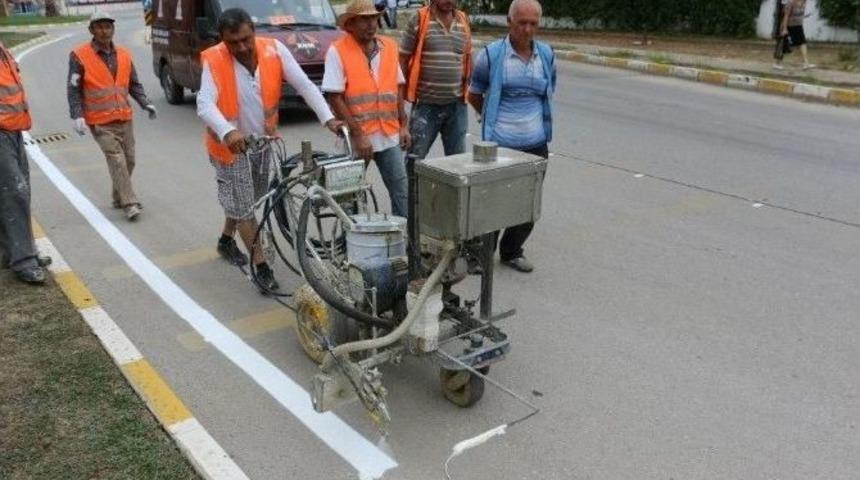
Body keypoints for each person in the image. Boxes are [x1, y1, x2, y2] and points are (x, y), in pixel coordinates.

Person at [197, 8, 342, 292]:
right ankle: (261, 265)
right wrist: (228, 131)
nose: (241, 47)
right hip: (230, 149)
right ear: (223, 40)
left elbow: (304, 85)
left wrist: (328, 118)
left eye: (246, 39)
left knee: (251, 200)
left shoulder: (274, 50)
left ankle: (227, 240)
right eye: (232, 42)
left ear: (254, 30)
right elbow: (204, 103)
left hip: (263, 142)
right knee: (244, 206)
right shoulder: (214, 58)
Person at [467, 0, 555, 274]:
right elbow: (474, 93)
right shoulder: (492, 55)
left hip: (536, 143)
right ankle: (480, 255)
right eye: (522, 23)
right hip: (501, 144)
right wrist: (489, 118)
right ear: (509, 22)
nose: (527, 30)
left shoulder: (546, 55)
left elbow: (548, 91)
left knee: (528, 203)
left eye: (533, 24)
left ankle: (512, 251)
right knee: (493, 203)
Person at [67, 11, 157, 222]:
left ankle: (118, 196)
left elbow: (133, 83)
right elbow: (73, 88)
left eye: (107, 26)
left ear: (113, 29)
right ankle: (129, 203)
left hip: (124, 117)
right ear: (91, 30)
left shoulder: (124, 54)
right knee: (117, 160)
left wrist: (146, 103)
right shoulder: (79, 55)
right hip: (100, 121)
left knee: (130, 160)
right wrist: (76, 114)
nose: (104, 30)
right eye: (99, 26)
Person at [323, 0, 410, 218]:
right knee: (350, 195)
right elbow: (335, 96)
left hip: (388, 134)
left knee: (401, 191)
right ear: (350, 24)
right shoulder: (338, 50)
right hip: (357, 139)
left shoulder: (389, 47)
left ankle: (403, 242)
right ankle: (352, 245)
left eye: (374, 18)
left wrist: (404, 125)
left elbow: (397, 87)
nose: (372, 24)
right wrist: (359, 134)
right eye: (365, 19)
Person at [0, 40, 49, 284]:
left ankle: (13, 251)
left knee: (19, 191)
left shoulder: (3, 49)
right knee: (14, 193)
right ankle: (24, 261)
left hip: (14, 128)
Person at [400, 0, 472, 160]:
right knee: (414, 162)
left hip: (457, 106)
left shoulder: (463, 20)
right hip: (426, 105)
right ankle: (413, 187)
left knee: (457, 164)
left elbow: (467, 58)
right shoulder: (419, 19)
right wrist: (401, 105)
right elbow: (403, 60)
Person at [774, 0, 815, 70]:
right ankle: (777, 64)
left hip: (798, 26)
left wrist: (805, 16)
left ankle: (806, 63)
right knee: (784, 45)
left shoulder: (804, 2)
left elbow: (798, 14)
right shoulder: (790, 3)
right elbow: (786, 16)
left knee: (802, 42)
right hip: (789, 26)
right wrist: (784, 29)